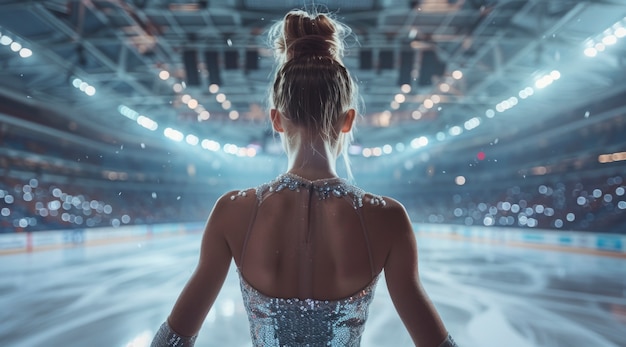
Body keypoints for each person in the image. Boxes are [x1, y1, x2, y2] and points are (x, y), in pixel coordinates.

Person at [151, 9, 458, 347]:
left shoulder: (232, 211)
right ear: (348, 120)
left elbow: (170, 344)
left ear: (277, 120)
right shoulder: (388, 218)